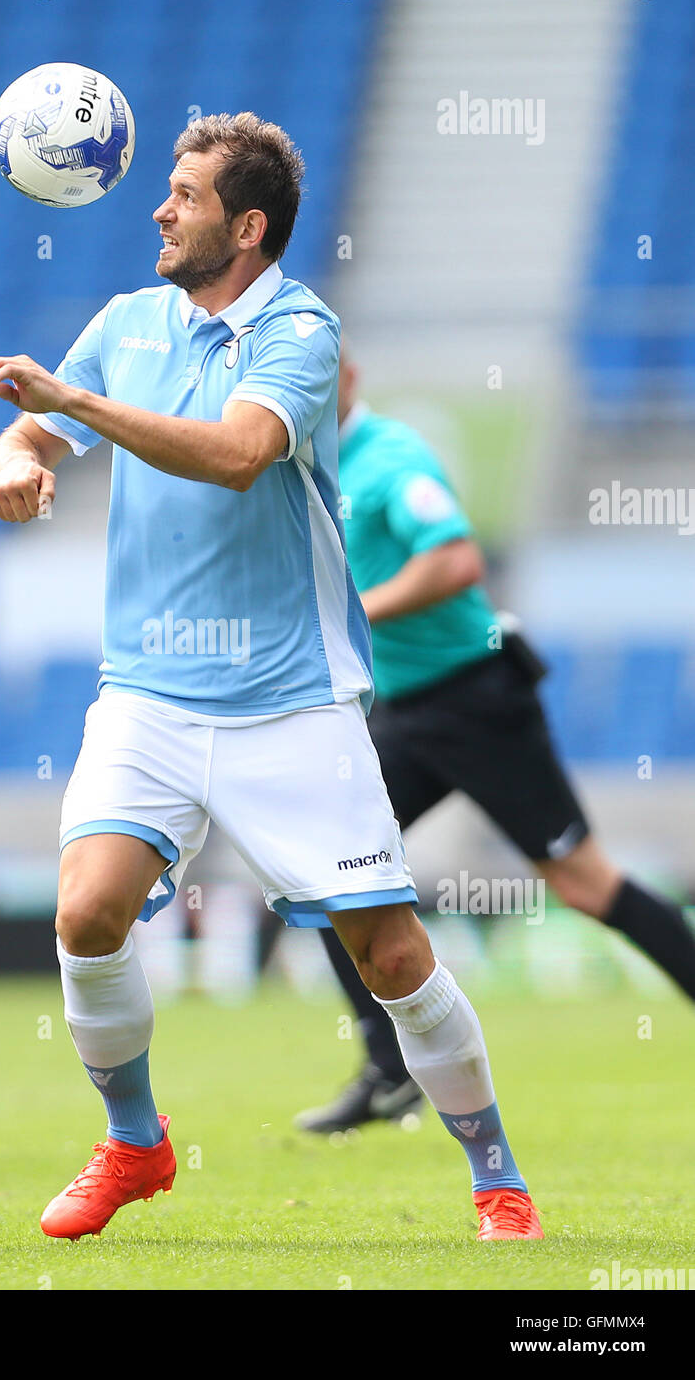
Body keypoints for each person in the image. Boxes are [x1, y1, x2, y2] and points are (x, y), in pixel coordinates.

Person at [0, 113, 541, 1241]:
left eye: (182, 193)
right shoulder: (126, 323)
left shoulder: (300, 329)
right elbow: (26, 437)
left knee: (393, 953)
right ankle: (134, 1143)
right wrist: (14, 463)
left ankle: (494, 1175)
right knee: (86, 910)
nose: (157, 207)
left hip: (289, 704)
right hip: (147, 695)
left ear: (247, 223)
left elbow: (232, 456)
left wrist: (67, 406)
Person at [295, 350, 695, 1134]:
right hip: (402, 712)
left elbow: (456, 559)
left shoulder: (393, 458)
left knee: (584, 883)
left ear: (349, 377)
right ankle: (389, 1069)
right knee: (320, 874)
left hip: (476, 699)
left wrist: (357, 613)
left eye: (318, 373)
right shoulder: (309, 468)